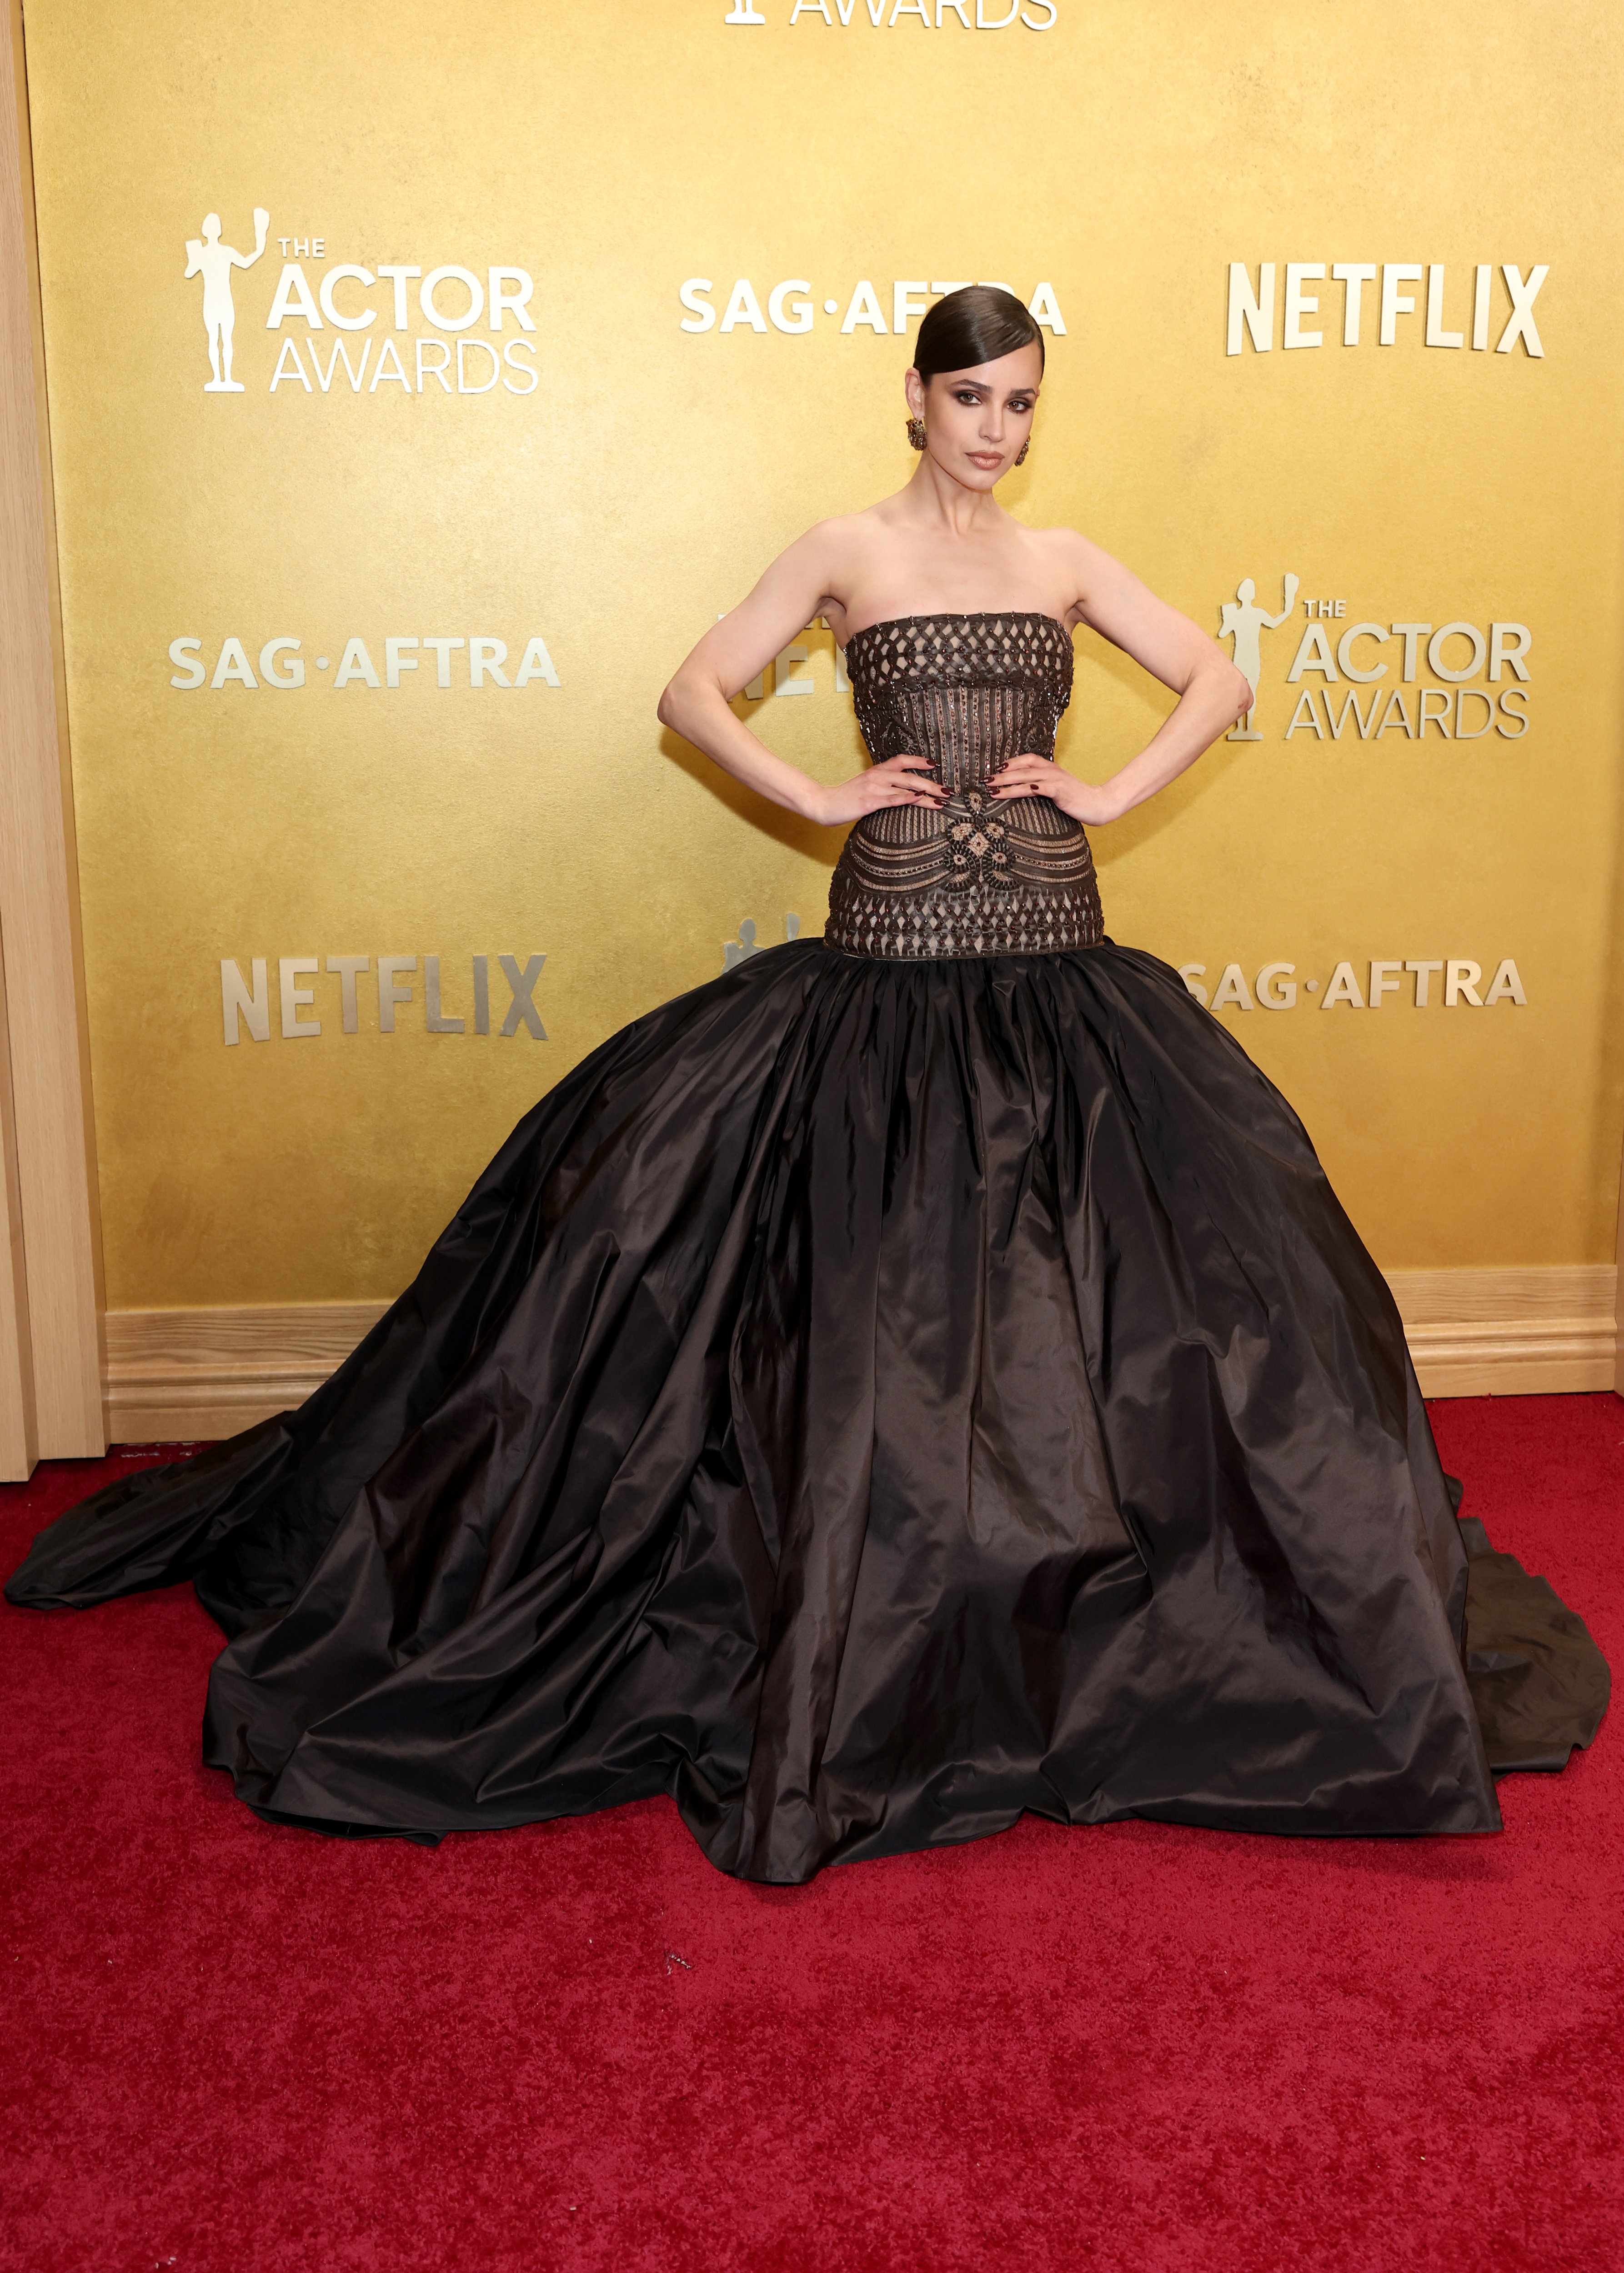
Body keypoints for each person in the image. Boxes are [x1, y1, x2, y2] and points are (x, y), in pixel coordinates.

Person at [5, 290, 1605, 1883]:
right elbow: (693, 691)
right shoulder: (842, 551)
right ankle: (893, 1586)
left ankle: (1067, 1599)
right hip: (888, 966)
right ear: (911, 400)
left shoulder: (1060, 564)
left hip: (1058, 957)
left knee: (1139, 1311)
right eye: (971, 399)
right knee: (881, 1321)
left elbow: (1219, 676)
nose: (998, 430)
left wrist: (1106, 786)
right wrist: (820, 791)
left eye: (1024, 403)